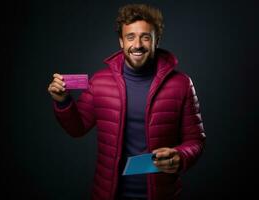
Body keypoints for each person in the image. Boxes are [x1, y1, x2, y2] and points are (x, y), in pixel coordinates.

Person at [47, 4, 205, 200]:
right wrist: (63, 102)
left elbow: (195, 140)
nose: (137, 44)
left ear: (157, 41)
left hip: (163, 194)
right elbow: (77, 128)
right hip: (108, 193)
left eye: (145, 37)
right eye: (130, 37)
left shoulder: (181, 84)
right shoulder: (99, 81)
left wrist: (180, 157)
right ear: (121, 41)